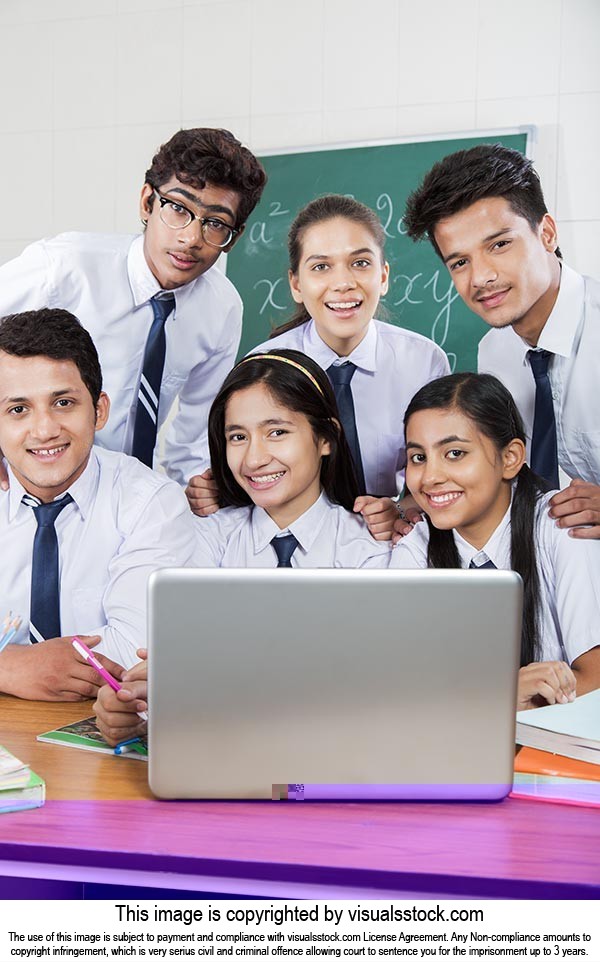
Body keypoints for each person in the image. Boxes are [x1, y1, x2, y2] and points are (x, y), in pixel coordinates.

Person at [95, 348, 391, 744]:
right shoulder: (207, 539)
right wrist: (139, 714)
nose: (254, 458)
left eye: (277, 432)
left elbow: (367, 690)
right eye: (238, 436)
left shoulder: (371, 550)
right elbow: (177, 667)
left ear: (326, 438)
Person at [0, 128, 267, 505]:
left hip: (129, 497)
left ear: (233, 238)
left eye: (215, 223)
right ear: (147, 203)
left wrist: (196, 499)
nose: (191, 237)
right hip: (28, 483)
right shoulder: (63, 268)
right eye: (178, 208)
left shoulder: (221, 309)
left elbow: (191, 441)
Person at [403, 143, 600, 539]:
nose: (480, 277)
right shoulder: (494, 352)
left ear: (546, 233)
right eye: (459, 262)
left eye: (499, 245)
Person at [0, 309, 195, 701]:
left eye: (63, 403)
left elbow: (139, 650)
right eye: (18, 410)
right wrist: (10, 666)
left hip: (104, 727)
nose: (44, 430)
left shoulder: (151, 504)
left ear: (100, 410)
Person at [390, 372, 600, 711]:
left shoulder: (562, 527)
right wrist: (501, 695)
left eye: (455, 453)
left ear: (510, 458)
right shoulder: (414, 550)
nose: (430, 477)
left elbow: (596, 677)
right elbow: (401, 689)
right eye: (418, 457)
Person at [244, 195, 450, 540]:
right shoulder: (262, 368)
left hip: (391, 542)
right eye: (321, 267)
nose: (343, 283)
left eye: (360, 263)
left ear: (383, 277)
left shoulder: (423, 362)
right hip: (291, 543)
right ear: (296, 284)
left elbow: (442, 472)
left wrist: (403, 509)